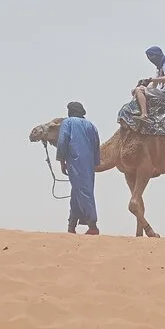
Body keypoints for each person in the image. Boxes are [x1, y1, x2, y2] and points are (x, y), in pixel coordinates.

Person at [56, 101, 101, 235]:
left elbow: (62, 141)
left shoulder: (68, 123)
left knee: (83, 191)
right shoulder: (91, 125)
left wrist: (62, 161)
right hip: (89, 163)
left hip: (75, 161)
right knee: (77, 191)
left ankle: (93, 225)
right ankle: (71, 225)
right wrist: (95, 162)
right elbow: (96, 144)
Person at [132, 46, 165, 124]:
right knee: (137, 90)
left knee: (139, 90)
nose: (150, 59)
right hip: (162, 92)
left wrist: (151, 80)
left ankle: (144, 115)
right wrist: (145, 84)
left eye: (151, 56)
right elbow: (153, 85)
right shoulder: (158, 68)